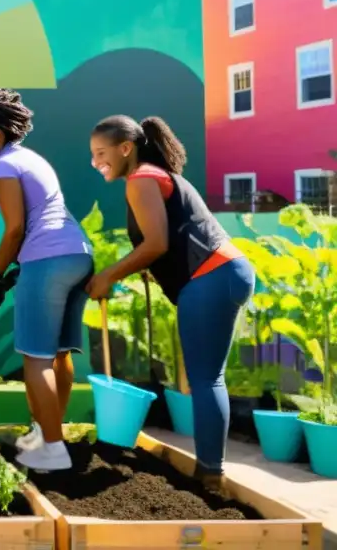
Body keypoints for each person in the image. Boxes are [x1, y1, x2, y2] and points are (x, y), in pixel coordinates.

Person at [87, 114, 253, 483]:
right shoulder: (156, 175)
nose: (96, 162)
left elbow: (157, 243)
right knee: (211, 377)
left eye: (101, 153)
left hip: (211, 277)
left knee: (206, 379)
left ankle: (210, 475)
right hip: (227, 272)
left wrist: (107, 275)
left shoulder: (142, 179)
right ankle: (210, 469)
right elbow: (170, 238)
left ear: (125, 148)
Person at [0, 89, 94, 471]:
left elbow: (16, 227)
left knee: (36, 359)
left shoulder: (3, 165)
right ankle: (46, 432)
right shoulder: (32, 158)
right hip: (78, 255)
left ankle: (53, 450)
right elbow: (43, 218)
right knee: (59, 354)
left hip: (48, 258)